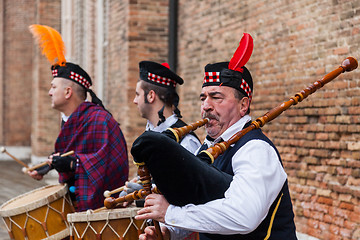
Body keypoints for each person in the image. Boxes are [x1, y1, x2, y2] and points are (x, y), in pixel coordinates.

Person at [131, 33, 297, 239]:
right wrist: (169, 232)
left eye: (216, 97)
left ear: (243, 105)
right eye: (203, 98)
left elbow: (243, 216)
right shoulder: (209, 147)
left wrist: (171, 214)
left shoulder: (256, 149)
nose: (206, 106)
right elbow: (202, 208)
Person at [27, 25, 129, 211]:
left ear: (68, 92)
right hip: (74, 205)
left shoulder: (100, 120)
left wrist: (74, 163)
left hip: (100, 209)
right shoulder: (71, 119)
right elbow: (75, 154)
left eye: (53, 87)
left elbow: (107, 165)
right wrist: (50, 165)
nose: (49, 93)